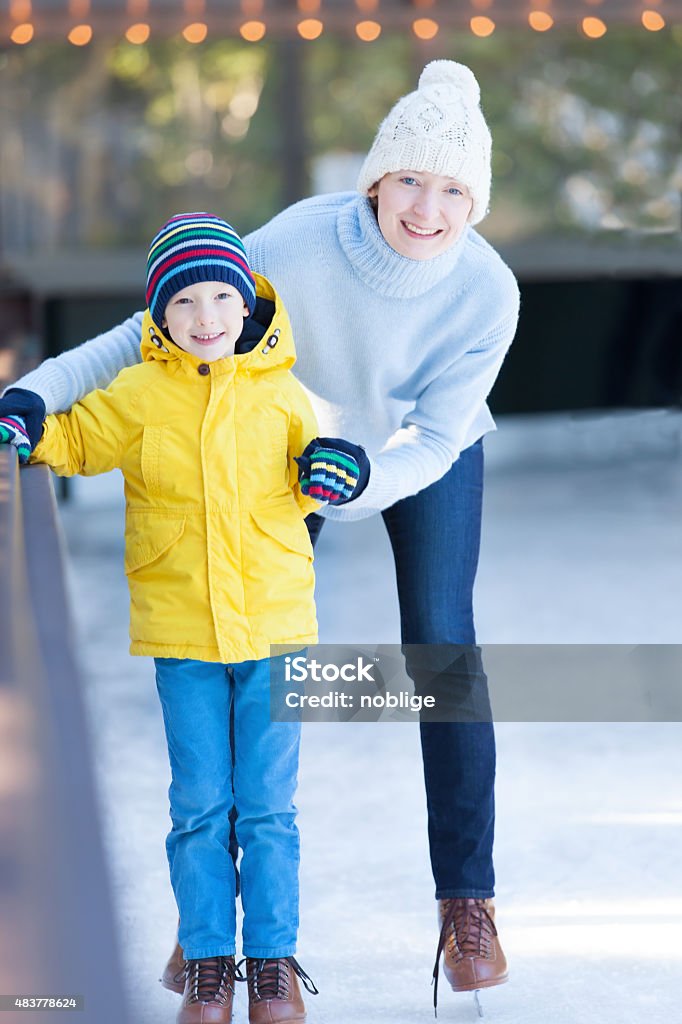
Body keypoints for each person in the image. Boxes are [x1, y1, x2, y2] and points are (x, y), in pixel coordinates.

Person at [1, 60, 520, 1008]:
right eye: (410, 179)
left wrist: (364, 476)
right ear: (375, 179)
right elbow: (149, 329)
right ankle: (207, 926)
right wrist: (37, 394)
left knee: (442, 646)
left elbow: (441, 433)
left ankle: (468, 899)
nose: (427, 209)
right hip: (291, 444)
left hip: (418, 455)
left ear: (476, 202)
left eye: (454, 191)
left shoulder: (486, 292)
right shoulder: (300, 244)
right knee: (240, 643)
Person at [22, 212, 367, 1024]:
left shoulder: (286, 394)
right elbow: (73, 442)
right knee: (201, 805)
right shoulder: (139, 395)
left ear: (246, 305)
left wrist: (342, 468)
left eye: (222, 297)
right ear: (159, 317)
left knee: (270, 807)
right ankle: (210, 962)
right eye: (186, 304)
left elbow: (334, 461)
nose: (207, 317)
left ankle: (273, 965)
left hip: (278, 630)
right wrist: (26, 425)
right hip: (182, 634)